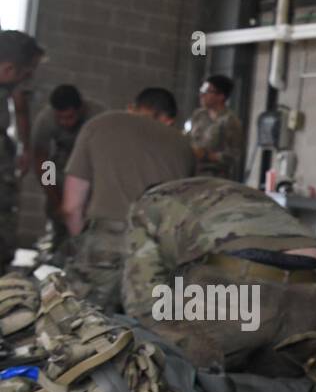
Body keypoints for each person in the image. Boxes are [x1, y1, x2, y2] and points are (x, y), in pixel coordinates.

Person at [121, 176, 316, 373]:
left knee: (178, 375)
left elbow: (143, 299)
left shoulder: (147, 204)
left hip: (239, 286)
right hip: (314, 287)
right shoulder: (225, 193)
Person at [62, 87, 196, 310]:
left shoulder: (99, 125)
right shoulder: (183, 145)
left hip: (104, 247)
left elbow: (71, 207)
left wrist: (85, 247)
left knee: (83, 328)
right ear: (168, 119)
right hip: (158, 253)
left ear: (132, 107)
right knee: (145, 336)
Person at [31, 84, 103, 252]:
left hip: (91, 168)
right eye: (60, 118)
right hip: (60, 166)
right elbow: (42, 161)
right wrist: (55, 199)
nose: (64, 123)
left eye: (69, 117)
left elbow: (105, 160)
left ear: (81, 109)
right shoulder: (46, 119)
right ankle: (58, 247)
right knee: (59, 216)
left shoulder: (98, 117)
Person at [0, 30, 44, 269]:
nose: (30, 78)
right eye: (27, 72)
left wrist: (25, 148)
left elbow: (20, 108)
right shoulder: (49, 123)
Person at [185, 74, 245, 181]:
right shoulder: (198, 115)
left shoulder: (230, 121)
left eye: (207, 91)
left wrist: (207, 155)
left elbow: (234, 155)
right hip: (190, 172)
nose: (202, 95)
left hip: (213, 177)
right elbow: (186, 136)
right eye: (202, 90)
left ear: (221, 96)